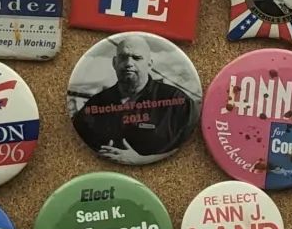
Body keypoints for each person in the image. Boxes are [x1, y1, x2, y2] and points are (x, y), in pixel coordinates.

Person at [70, 34, 197, 164]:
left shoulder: (178, 103)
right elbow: (75, 144)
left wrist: (141, 160)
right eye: (123, 57)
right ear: (115, 62)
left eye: (137, 58)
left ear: (149, 64)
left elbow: (190, 147)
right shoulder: (95, 105)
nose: (129, 63)